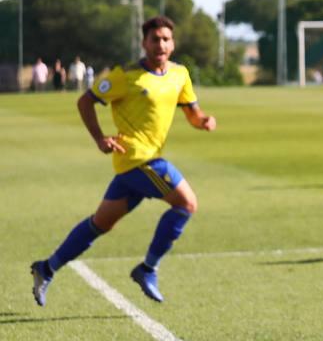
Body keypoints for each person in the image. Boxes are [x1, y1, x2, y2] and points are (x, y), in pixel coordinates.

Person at [30, 16, 217, 307]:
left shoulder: (180, 74)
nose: (161, 44)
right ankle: (147, 269)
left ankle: (46, 268)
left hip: (140, 165)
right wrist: (99, 138)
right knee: (186, 204)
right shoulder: (125, 75)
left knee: (100, 224)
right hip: (137, 159)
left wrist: (204, 120)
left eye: (166, 39)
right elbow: (85, 101)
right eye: (154, 39)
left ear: (173, 43)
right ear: (144, 43)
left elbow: (192, 112)